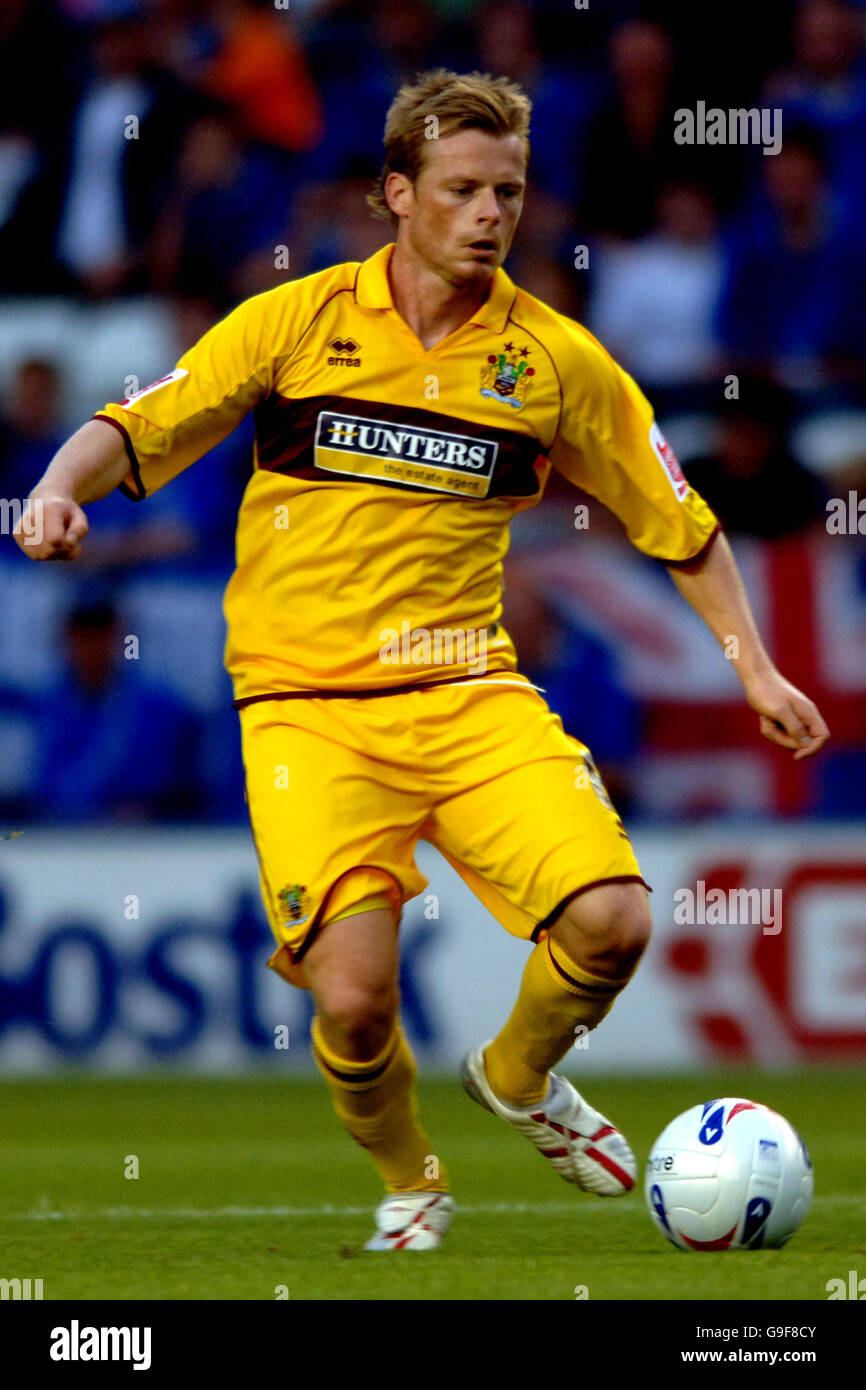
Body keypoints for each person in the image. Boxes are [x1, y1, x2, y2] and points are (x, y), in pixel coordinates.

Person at [14, 69, 829, 1252]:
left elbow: (682, 520)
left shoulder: (552, 361)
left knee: (610, 922)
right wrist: (52, 489)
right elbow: (138, 423)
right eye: (462, 190)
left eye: (507, 190)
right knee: (348, 1000)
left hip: (466, 690)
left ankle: (512, 1075)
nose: (491, 213)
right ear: (397, 193)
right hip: (302, 708)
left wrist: (751, 666)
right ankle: (413, 1179)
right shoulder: (296, 320)